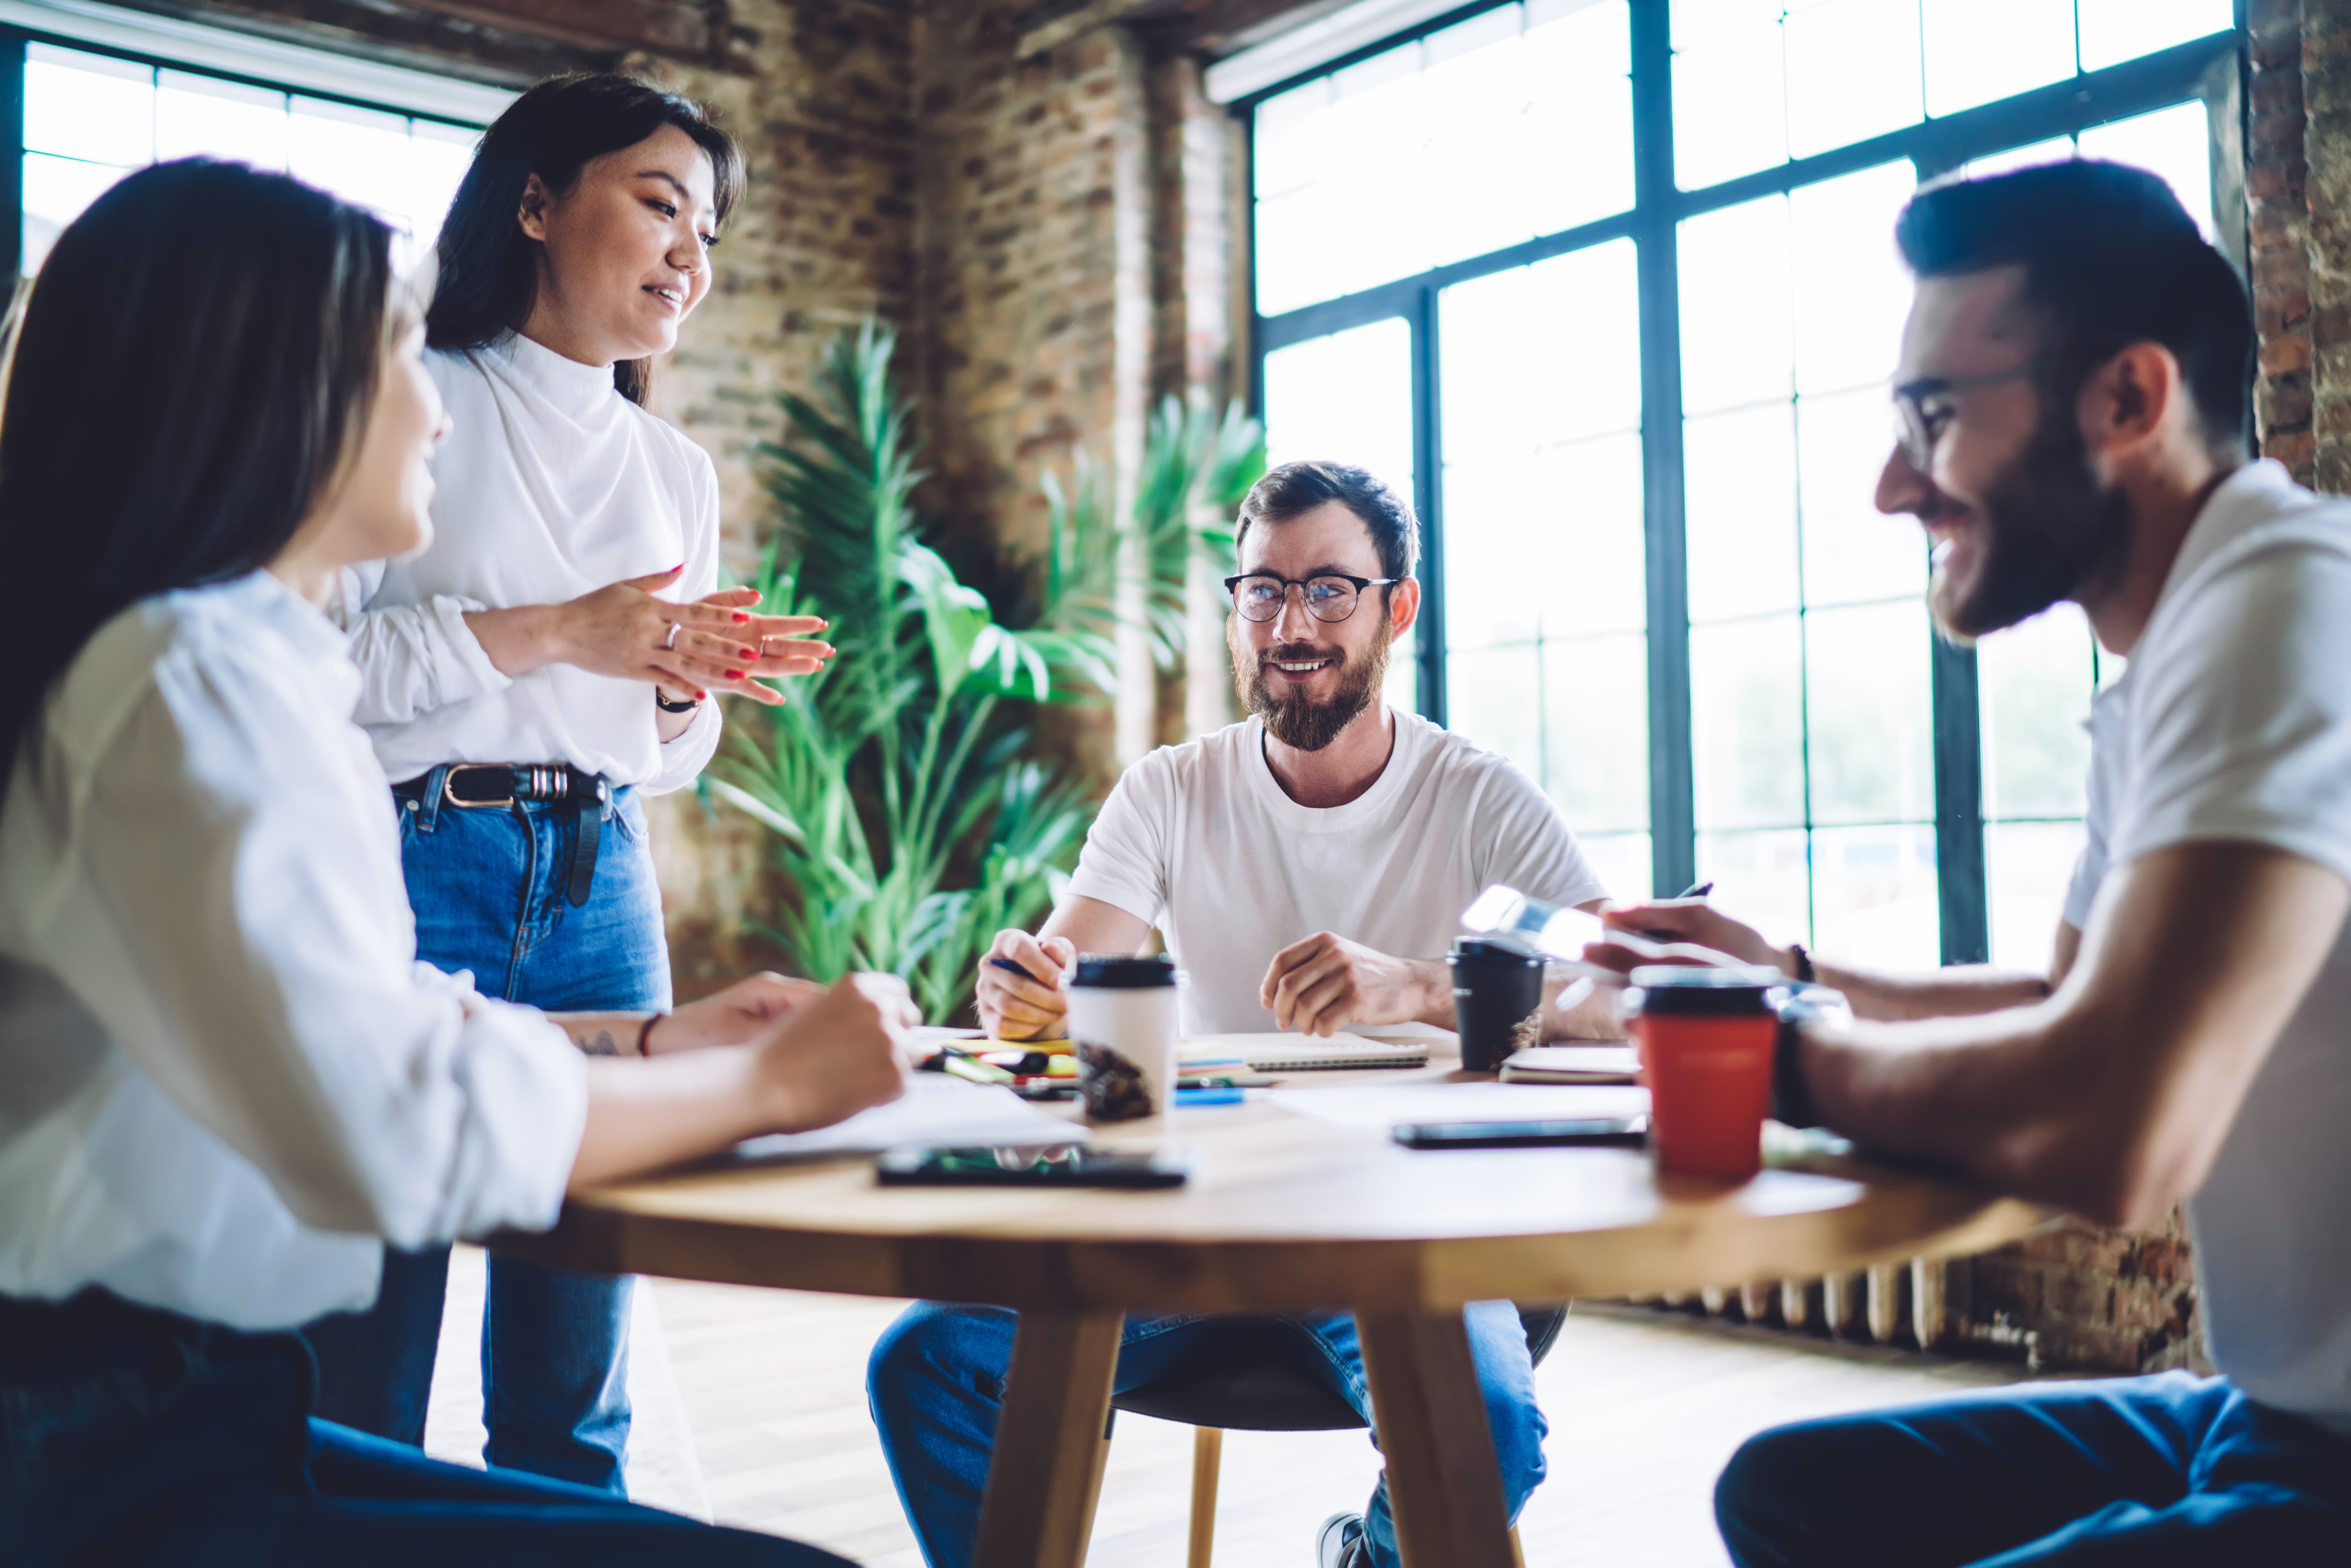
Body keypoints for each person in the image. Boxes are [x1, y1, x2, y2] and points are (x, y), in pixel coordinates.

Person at [0, 157, 915, 1566]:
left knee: (576, 1405)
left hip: (165, 1414)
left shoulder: (197, 660)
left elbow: (362, 1021)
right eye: (392, 355)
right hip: (103, 1448)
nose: (428, 405)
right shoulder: (191, 675)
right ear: (261, 387)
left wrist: (645, 1036)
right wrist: (768, 1085)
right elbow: (393, 1126)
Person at [1597, 161, 2351, 1564]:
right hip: (2273, 1407)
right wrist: (1796, 973)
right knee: (1789, 1491)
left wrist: (1772, 1052)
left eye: (1930, 419)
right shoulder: (2176, 650)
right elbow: (2070, 1000)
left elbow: (2113, 1125)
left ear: (2126, 401)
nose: (1894, 485)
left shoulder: (2283, 606)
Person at [868, 460, 1621, 1568]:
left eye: (1328, 590)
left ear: (1395, 607)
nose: (1290, 624)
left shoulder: (1481, 796)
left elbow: (1626, 995)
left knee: (1490, 1430)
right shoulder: (1170, 788)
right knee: (925, 1364)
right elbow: (1067, 966)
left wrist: (1418, 987)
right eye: (1262, 591)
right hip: (1190, 1232)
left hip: (1401, 1235)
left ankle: (1363, 1557)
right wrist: (1026, 991)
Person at [304, 75, 828, 1492]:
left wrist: (670, 687)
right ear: (534, 202)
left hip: (602, 883)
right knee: (365, 1349)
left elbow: (667, 759)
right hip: (413, 867)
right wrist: (563, 632)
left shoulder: (676, 468)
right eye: (658, 206)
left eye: (707, 231)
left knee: (574, 1368)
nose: (689, 257)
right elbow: (314, 675)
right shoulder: (411, 404)